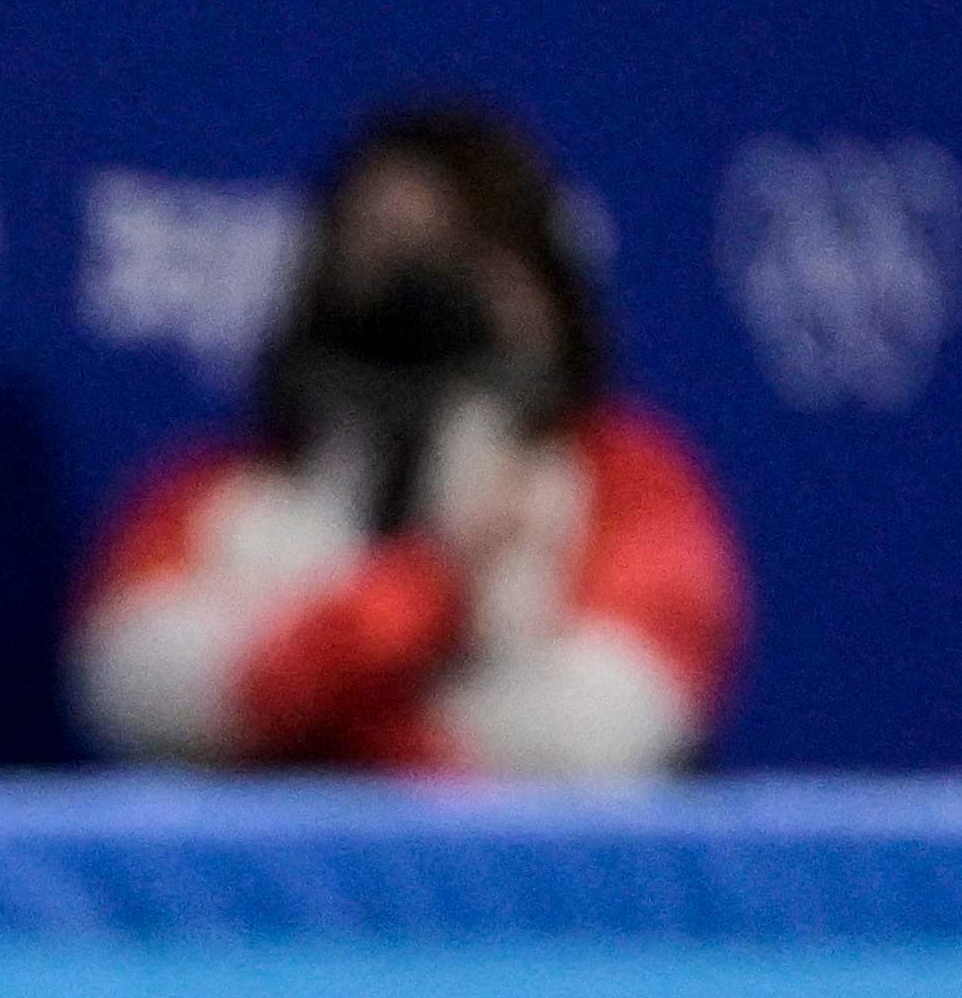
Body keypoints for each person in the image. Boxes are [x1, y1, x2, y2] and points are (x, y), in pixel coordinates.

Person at [73, 100, 747, 775]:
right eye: (390, 247)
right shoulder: (219, 497)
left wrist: (328, 726)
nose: (428, 295)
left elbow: (604, 730)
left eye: (470, 253)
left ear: (546, 287)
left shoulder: (635, 486)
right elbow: (138, 690)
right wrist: (425, 592)